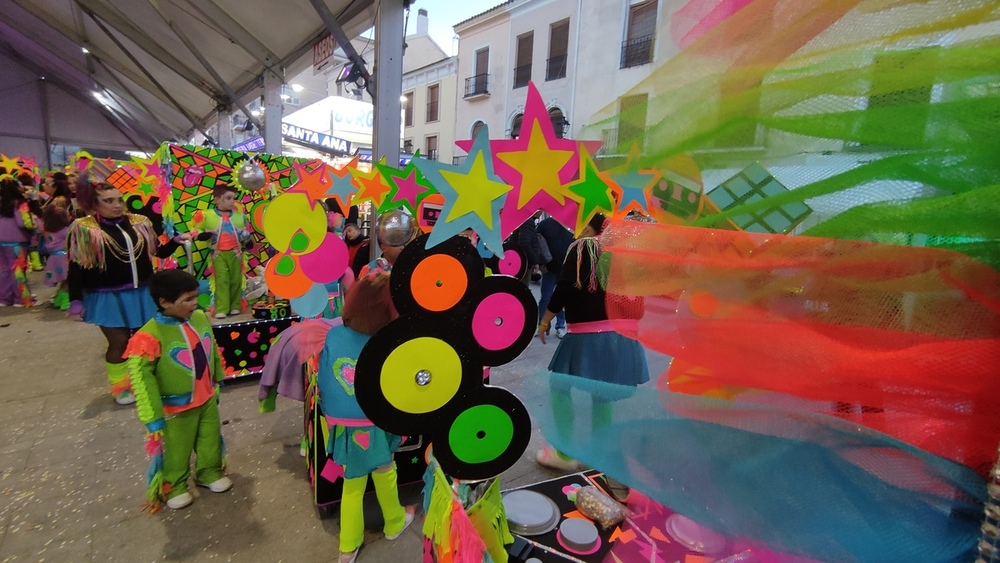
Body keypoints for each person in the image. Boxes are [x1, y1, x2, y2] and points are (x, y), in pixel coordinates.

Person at [535, 213, 649, 471]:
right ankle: (599, 452)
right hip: (620, 336)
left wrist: (546, 320)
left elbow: (564, 288)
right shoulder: (619, 250)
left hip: (586, 335)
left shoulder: (583, 248)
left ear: (590, 224)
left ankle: (564, 453)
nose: (575, 229)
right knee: (601, 395)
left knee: (560, 386)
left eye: (580, 223)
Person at [317, 272, 415, 562]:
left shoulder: (334, 334)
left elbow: (325, 381)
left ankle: (348, 546)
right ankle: (393, 522)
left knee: (353, 481)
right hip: (375, 422)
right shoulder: (390, 344)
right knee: (384, 472)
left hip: (344, 425)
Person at [67, 178, 189, 405]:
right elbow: (76, 267)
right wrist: (75, 299)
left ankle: (146, 380)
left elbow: (158, 252)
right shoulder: (85, 229)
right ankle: (121, 388)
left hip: (142, 293)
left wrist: (175, 241)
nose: (116, 205)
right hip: (106, 296)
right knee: (119, 342)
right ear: (95, 204)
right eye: (108, 201)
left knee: (145, 340)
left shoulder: (139, 222)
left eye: (119, 200)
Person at [123, 269, 232, 511]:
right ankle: (175, 485)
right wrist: (152, 416)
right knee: (176, 449)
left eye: (196, 297)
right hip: (175, 408)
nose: (195, 303)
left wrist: (218, 377)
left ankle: (209, 471)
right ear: (164, 302)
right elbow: (142, 379)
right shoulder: (148, 336)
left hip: (205, 398)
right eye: (188, 299)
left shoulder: (200, 319)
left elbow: (210, 347)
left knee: (210, 440)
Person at [190, 185, 250, 319]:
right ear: (217, 199)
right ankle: (222, 308)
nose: (231, 202)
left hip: (236, 253)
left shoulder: (240, 217)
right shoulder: (206, 215)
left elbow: (245, 234)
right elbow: (194, 229)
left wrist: (247, 241)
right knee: (221, 280)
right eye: (228, 198)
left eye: (233, 199)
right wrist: (200, 235)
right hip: (218, 254)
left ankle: (235, 306)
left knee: (236, 279)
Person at [536, 215, 574, 338]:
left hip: (567, 269)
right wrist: (540, 262)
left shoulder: (573, 224)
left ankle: (561, 326)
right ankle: (542, 324)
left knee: (563, 299)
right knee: (546, 297)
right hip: (549, 268)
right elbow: (536, 242)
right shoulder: (546, 223)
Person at [0, 176, 36, 307]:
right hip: (17, 242)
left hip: (1, 241)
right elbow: (23, 222)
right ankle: (20, 299)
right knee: (18, 270)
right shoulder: (20, 203)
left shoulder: (1, 202)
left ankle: (4, 298)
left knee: (4, 270)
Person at [41, 204, 72, 310]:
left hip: (53, 258)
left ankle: (59, 300)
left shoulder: (47, 231)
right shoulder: (64, 230)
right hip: (63, 258)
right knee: (68, 280)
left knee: (63, 281)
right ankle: (66, 302)